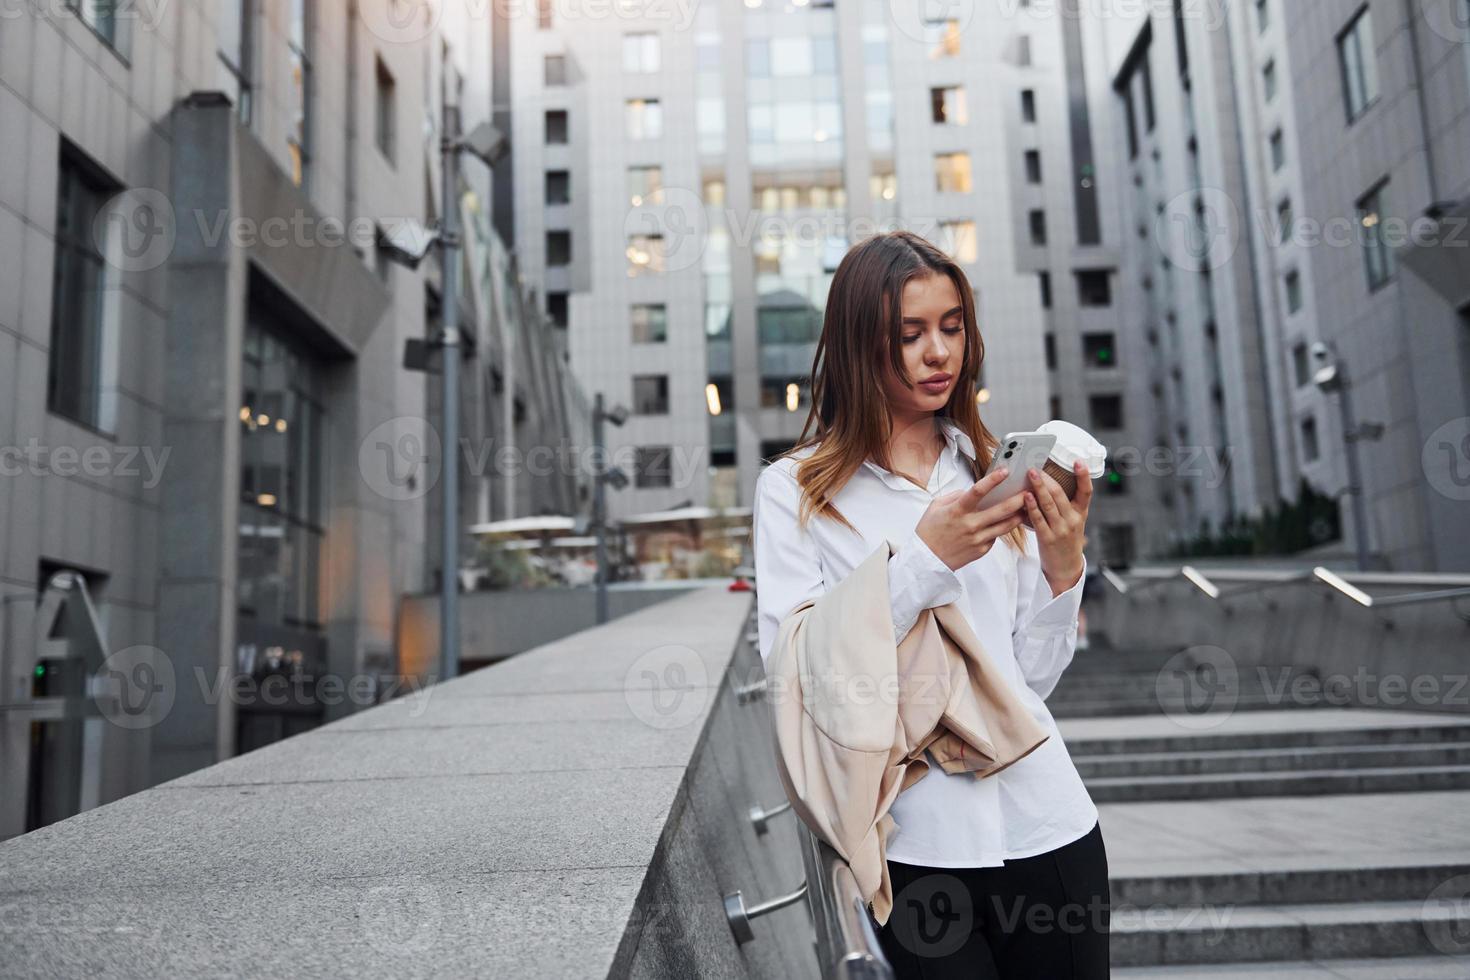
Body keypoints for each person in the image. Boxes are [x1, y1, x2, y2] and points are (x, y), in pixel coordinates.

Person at [751, 231, 1110, 979]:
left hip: (1049, 828)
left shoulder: (993, 472)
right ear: (858, 346)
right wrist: (922, 560)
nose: (937, 352)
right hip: (913, 851)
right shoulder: (794, 491)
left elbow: (1029, 681)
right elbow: (800, 674)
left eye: (951, 327)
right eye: (908, 334)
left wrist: (1061, 562)